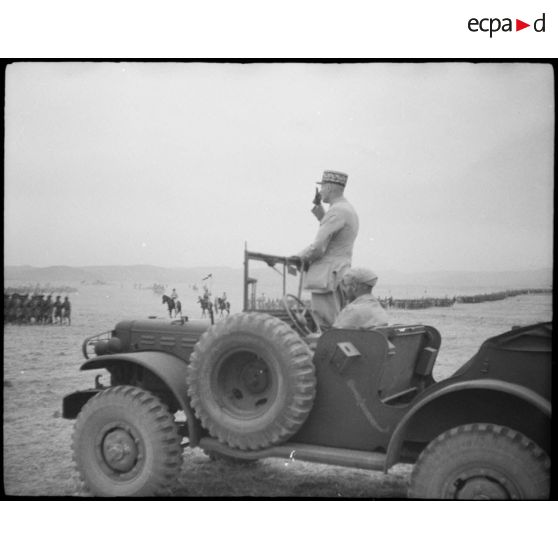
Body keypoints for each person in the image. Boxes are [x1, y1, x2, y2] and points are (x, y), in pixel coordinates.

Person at [294, 170, 359, 329]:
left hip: (327, 274)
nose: (320, 190)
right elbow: (332, 228)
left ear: (329, 188)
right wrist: (318, 207)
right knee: (338, 321)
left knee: (326, 324)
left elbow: (318, 248)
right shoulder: (347, 209)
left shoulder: (336, 211)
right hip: (339, 271)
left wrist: (297, 258)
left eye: (322, 187)